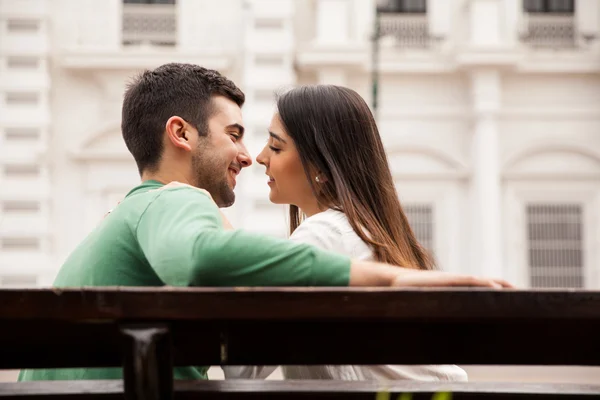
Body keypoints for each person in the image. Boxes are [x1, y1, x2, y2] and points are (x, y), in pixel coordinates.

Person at [19, 64, 511, 383]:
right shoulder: (174, 203)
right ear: (181, 133)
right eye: (235, 134)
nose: (249, 156)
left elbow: (240, 363)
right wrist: (392, 276)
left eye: (272, 145)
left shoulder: (142, 212)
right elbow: (201, 260)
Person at [225, 85, 471, 381]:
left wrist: (209, 230)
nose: (261, 157)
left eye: (276, 147)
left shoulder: (323, 235)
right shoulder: (368, 233)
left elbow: (244, 366)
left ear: (322, 166)